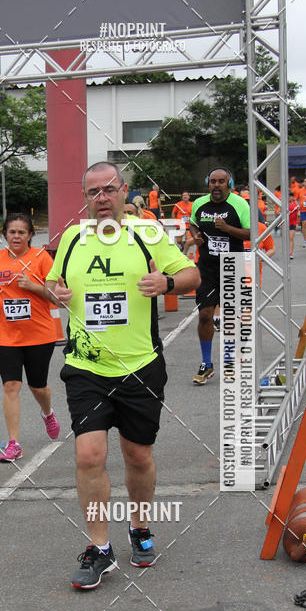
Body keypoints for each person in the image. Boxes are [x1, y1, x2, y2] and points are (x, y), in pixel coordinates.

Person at [47, 162, 199, 588]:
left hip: (140, 367)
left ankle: (140, 527)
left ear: (123, 190)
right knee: (89, 456)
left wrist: (167, 283)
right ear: (85, 196)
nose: (101, 198)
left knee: (138, 456)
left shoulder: (147, 234)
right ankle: (100, 547)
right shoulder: (73, 238)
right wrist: (52, 291)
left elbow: (192, 274)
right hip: (86, 367)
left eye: (109, 189)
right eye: (93, 191)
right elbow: (51, 283)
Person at [0, 212, 60, 462]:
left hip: (38, 334)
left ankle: (47, 413)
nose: (16, 236)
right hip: (4, 335)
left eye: (21, 232)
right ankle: (13, 443)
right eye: (12, 231)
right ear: (5, 233)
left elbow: (56, 297)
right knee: (11, 385)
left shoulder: (41, 258)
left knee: (38, 386)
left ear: (30, 235)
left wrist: (34, 286)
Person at [189, 168, 250, 385]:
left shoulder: (240, 204)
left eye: (221, 181)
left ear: (229, 183)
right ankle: (207, 364)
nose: (216, 185)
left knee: (232, 319)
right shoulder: (200, 204)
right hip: (206, 268)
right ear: (208, 183)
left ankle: (231, 362)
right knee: (205, 315)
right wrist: (196, 236)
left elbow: (252, 233)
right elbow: (193, 224)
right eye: (213, 181)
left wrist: (227, 228)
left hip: (233, 265)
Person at [288, 190, 300, 259]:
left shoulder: (296, 205)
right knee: (287, 239)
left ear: (293, 197)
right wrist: (286, 213)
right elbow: (278, 212)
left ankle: (291, 253)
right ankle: (287, 251)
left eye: (290, 197)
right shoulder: (284, 204)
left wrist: (298, 211)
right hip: (286, 223)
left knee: (291, 237)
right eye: (288, 197)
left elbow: (298, 214)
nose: (289, 198)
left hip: (293, 223)